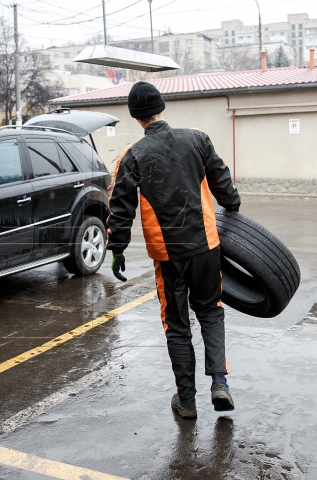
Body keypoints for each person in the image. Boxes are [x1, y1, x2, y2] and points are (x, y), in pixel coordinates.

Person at [106, 81, 241, 419]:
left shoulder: (133, 155)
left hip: (169, 257)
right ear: (162, 107)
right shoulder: (198, 139)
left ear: (136, 117)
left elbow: (120, 209)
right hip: (206, 246)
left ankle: (187, 401)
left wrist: (117, 250)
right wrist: (234, 206)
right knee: (211, 311)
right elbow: (222, 183)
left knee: (177, 324)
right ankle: (220, 383)